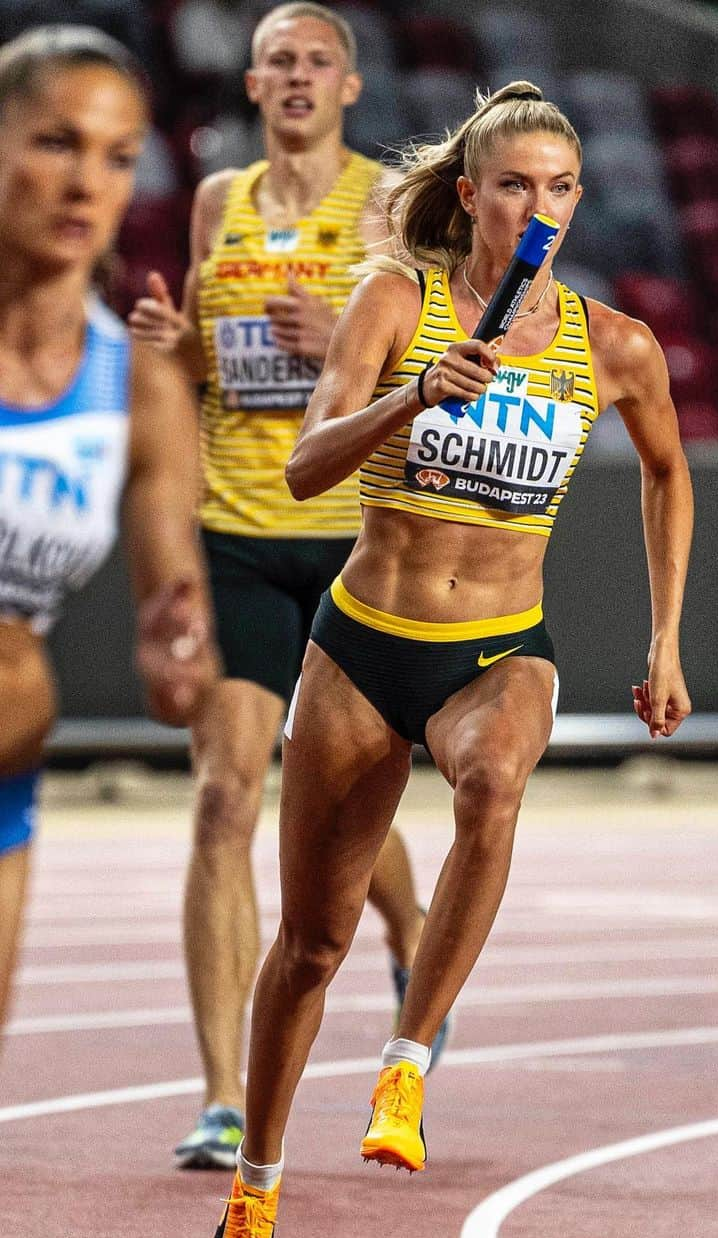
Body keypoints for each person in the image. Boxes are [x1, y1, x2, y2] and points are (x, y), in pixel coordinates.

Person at [203, 79, 693, 1238]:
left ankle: (409, 1062)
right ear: (471, 196)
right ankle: (257, 1185)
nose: (543, 209)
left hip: (499, 652)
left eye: (563, 189)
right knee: (309, 944)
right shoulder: (399, 302)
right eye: (518, 186)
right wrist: (412, 395)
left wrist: (667, 635)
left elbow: (671, 476)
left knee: (496, 780)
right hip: (364, 645)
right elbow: (311, 465)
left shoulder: (613, 344)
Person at [127, 2, 444, 1170]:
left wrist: (341, 348)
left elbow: (437, 357)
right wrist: (175, 345)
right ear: (251, 85)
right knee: (226, 798)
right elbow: (215, 356)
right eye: (280, 62)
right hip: (237, 529)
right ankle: (221, 1096)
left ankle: (413, 943)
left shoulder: (391, 206)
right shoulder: (219, 201)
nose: (299, 77)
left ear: (350, 88)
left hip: (357, 541)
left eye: (320, 61)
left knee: (343, 817)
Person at [0, 26, 217, 1042]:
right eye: (54, 143)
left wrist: (178, 656)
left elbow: (175, 633)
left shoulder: (136, 386)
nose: (86, 183)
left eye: (118, 157)